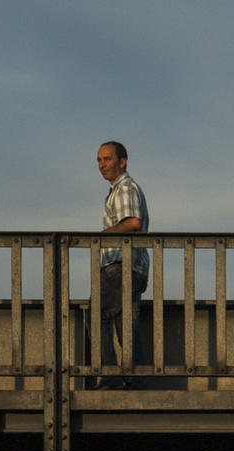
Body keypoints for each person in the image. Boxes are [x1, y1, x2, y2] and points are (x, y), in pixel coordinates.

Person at [95, 141, 150, 381]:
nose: (101, 165)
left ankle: (111, 378)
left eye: (107, 159)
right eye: (98, 160)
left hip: (121, 265)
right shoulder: (120, 189)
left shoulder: (124, 188)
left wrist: (100, 237)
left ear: (122, 161)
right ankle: (136, 381)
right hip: (131, 267)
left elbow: (133, 222)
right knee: (126, 326)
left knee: (95, 316)